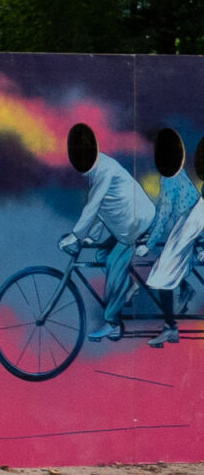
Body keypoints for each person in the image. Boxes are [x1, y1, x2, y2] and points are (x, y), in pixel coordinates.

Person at [59, 121, 155, 343]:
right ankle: (129, 285)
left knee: (113, 262)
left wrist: (76, 235)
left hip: (135, 223)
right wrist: (92, 235)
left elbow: (94, 204)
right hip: (127, 220)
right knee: (101, 254)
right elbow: (108, 206)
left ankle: (113, 324)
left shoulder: (105, 170)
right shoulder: (99, 168)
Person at [142, 128, 203, 348]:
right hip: (192, 224)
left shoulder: (170, 180)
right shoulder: (181, 176)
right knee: (166, 267)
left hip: (190, 224)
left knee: (160, 276)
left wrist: (148, 242)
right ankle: (183, 294)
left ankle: (170, 328)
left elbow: (163, 215)